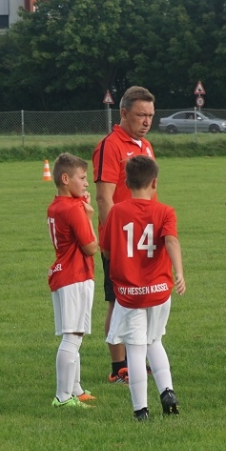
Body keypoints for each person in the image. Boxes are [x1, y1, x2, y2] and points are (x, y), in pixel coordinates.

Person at [98, 156, 185, 420]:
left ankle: (141, 409)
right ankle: (167, 390)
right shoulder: (165, 211)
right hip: (159, 291)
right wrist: (179, 272)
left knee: (135, 349)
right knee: (154, 340)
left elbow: (107, 250)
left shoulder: (117, 212)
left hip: (129, 294)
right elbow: (171, 241)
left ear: (125, 182)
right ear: (154, 183)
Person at [92, 86, 156, 384]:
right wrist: (112, 240)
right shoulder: (110, 145)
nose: (147, 121)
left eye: (151, 115)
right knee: (118, 301)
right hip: (121, 241)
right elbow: (103, 197)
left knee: (143, 301)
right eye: (141, 115)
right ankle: (119, 367)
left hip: (145, 240)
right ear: (123, 113)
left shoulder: (147, 146)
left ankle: (137, 360)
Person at [47, 153, 99, 408]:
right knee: (73, 336)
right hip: (75, 275)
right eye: (82, 177)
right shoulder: (73, 209)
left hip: (63, 274)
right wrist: (88, 216)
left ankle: (75, 389)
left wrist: (82, 206)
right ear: (66, 179)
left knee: (75, 333)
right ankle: (63, 396)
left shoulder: (56, 205)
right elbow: (91, 247)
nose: (87, 183)